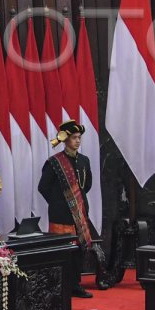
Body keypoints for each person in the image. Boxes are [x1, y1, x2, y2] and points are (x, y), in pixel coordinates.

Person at [38, 120, 101, 298]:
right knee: (62, 251)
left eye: (79, 137)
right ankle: (60, 285)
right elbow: (43, 187)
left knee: (78, 250)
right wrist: (58, 202)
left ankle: (75, 285)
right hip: (61, 214)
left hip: (79, 211)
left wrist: (77, 202)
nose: (77, 141)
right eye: (74, 138)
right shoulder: (54, 163)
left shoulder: (84, 160)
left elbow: (86, 184)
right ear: (65, 140)